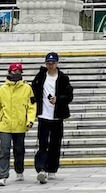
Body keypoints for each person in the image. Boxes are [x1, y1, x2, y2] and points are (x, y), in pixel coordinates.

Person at [0, 60, 36, 186]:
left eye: (19, 71)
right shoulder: (2, 89)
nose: (16, 73)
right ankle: (3, 175)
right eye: (14, 71)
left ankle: (19, 169)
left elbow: (31, 106)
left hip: (20, 125)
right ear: (9, 72)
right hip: (5, 125)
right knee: (4, 150)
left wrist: (30, 120)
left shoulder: (27, 88)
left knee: (19, 150)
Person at [30, 52, 74, 184]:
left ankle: (52, 168)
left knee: (55, 144)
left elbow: (69, 96)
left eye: (52, 63)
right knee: (43, 143)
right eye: (48, 63)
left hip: (57, 116)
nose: (50, 65)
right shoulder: (40, 76)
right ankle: (41, 169)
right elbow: (33, 90)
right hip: (43, 115)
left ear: (57, 63)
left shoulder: (63, 78)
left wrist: (58, 99)